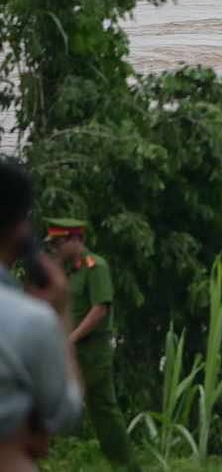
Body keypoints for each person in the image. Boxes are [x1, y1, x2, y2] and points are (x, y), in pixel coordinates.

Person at [0, 161, 83, 469]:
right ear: (20, 230)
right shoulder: (31, 320)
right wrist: (61, 316)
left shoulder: (93, 265)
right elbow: (63, 412)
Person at [43, 219, 129, 469]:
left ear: (75, 240)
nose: (55, 249)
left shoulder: (95, 267)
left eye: (58, 243)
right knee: (100, 410)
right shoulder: (70, 271)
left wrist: (71, 338)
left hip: (92, 352)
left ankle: (122, 463)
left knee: (94, 408)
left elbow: (99, 309)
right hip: (73, 350)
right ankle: (120, 463)